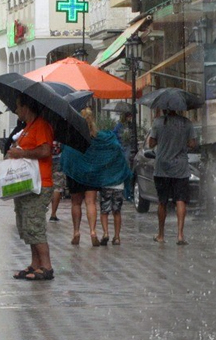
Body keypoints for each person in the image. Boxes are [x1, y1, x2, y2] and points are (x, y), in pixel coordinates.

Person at [62, 108, 131, 247]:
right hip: (91, 174)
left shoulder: (72, 136)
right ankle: (93, 232)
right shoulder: (98, 137)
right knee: (90, 202)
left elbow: (66, 154)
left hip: (75, 173)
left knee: (76, 203)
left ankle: (76, 232)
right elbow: (114, 146)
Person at [8, 94, 55, 281]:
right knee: (26, 224)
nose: (16, 111)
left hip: (39, 183)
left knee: (35, 224)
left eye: (18, 107)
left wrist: (22, 153)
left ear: (27, 107)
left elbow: (45, 150)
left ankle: (47, 266)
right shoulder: (28, 127)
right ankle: (35, 264)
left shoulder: (41, 125)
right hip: (26, 184)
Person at [148, 110, 197, 245]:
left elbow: (150, 144)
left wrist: (161, 139)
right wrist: (182, 142)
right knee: (180, 200)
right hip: (180, 167)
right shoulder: (186, 123)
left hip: (162, 168)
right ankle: (180, 235)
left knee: (162, 201)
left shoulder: (158, 122)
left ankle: (161, 235)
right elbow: (193, 143)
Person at [113, 112, 134, 202]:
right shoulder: (119, 126)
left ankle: (127, 192)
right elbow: (115, 135)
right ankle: (125, 193)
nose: (130, 118)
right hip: (123, 149)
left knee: (127, 170)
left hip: (127, 148)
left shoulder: (130, 126)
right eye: (129, 116)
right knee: (125, 169)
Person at [49, 141, 65, 222]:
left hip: (46, 160)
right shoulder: (61, 133)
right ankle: (53, 214)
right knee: (57, 188)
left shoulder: (46, 131)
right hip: (58, 160)